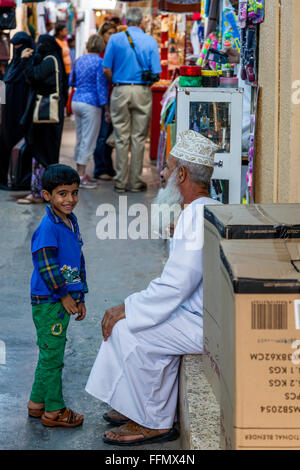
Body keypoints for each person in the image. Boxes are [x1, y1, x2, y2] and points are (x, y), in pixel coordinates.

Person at [85, 130, 221, 446]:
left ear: (183, 174)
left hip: (199, 321)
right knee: (132, 323)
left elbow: (175, 286)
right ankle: (136, 404)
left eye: (169, 167)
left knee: (127, 329)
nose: (162, 173)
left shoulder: (194, 216)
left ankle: (154, 422)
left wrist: (127, 307)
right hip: (197, 313)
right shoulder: (202, 208)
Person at [28, 164, 87, 428]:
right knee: (53, 359)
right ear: (46, 195)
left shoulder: (70, 221)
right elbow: (46, 266)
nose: (70, 199)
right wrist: (64, 296)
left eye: (74, 193)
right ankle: (54, 411)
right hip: (50, 303)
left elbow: (76, 260)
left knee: (48, 354)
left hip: (63, 300)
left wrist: (80, 295)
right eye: (62, 194)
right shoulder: (47, 229)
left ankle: (37, 403)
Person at [103, 7, 161, 193]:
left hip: (120, 89)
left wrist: (118, 81)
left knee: (121, 137)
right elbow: (157, 72)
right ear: (142, 22)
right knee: (138, 137)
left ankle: (121, 181)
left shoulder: (115, 39)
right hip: (142, 91)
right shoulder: (150, 40)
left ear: (126, 21)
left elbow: (106, 69)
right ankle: (136, 182)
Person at [17, 35, 68, 205]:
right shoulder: (52, 59)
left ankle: (38, 193)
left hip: (45, 118)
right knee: (46, 155)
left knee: (41, 155)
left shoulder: (49, 61)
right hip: (49, 118)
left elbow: (34, 76)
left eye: (41, 44)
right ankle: (45, 192)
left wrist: (25, 60)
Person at [70, 34, 109, 189]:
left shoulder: (79, 60)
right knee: (89, 139)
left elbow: (70, 81)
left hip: (76, 100)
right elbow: (101, 87)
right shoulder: (100, 63)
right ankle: (81, 175)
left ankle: (78, 172)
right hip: (91, 103)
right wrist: (106, 108)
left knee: (80, 138)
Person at [0, 32, 34, 191]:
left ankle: (21, 180)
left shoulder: (28, 64)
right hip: (8, 115)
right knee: (5, 145)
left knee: (22, 146)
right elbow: (3, 90)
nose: (18, 50)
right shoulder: (12, 66)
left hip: (23, 113)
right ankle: (7, 180)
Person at [93, 22, 117, 182]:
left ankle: (108, 166)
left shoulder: (113, 50)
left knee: (110, 135)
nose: (111, 36)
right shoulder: (101, 54)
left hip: (114, 96)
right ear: (102, 35)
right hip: (103, 98)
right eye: (109, 33)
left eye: (113, 33)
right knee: (102, 134)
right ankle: (100, 168)